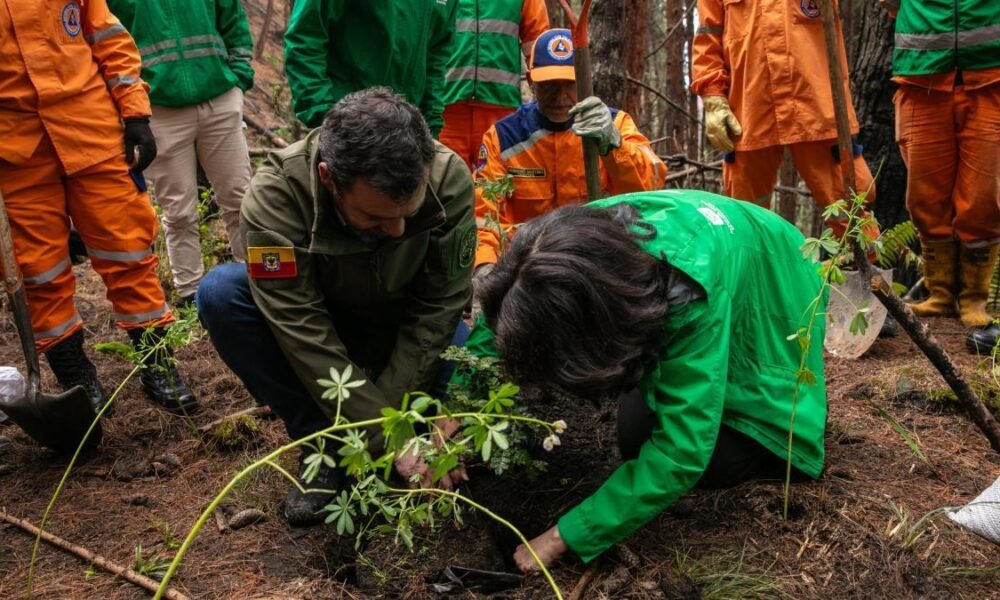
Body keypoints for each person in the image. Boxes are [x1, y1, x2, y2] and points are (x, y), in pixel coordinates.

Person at [463, 190, 827, 570]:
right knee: (635, 433)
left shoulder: (687, 292)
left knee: (718, 455)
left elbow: (681, 450)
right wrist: (456, 407)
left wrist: (563, 536)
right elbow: (508, 311)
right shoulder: (558, 250)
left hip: (778, 269)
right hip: (717, 253)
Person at [197, 88, 475, 526]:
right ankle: (322, 445)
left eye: (409, 213)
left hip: (404, 327)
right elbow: (302, 331)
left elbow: (438, 308)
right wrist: (386, 435)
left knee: (467, 352)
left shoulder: (448, 179)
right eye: (377, 218)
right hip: (324, 331)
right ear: (328, 177)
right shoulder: (276, 199)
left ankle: (419, 427)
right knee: (221, 293)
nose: (398, 230)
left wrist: (396, 425)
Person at [0, 0, 195, 414]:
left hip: (92, 131)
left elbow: (109, 40)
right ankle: (76, 377)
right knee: (38, 273)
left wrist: (136, 114)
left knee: (128, 250)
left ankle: (157, 362)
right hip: (13, 155)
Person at [473, 29, 667, 278]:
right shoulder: (503, 138)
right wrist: (484, 265)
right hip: (525, 268)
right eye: (549, 85)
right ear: (531, 81)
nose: (560, 97)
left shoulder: (615, 124)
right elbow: (483, 215)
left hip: (595, 259)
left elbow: (651, 188)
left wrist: (613, 144)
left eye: (570, 84)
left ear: (585, 80)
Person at [109, 0, 255, 307]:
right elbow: (108, 42)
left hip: (219, 98)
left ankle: (257, 281)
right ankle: (192, 296)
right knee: (178, 211)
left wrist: (239, 77)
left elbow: (233, 20)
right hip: (158, 109)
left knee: (240, 198)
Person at [691, 0, 876, 237]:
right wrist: (713, 96)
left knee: (850, 209)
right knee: (743, 220)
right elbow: (708, 40)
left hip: (816, 108)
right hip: (749, 112)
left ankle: (870, 271)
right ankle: (751, 273)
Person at [884, 0, 1000, 353]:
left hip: (991, 77)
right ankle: (940, 293)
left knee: (983, 197)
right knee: (924, 196)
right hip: (921, 77)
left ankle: (974, 298)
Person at [284, 0, 458, 135]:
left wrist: (430, 129)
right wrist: (324, 116)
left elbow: (436, 58)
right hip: (346, 128)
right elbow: (305, 36)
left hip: (407, 138)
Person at [439, 0, 549, 170]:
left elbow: (538, 45)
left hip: (501, 111)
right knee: (444, 188)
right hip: (445, 111)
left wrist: (548, 108)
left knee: (499, 189)